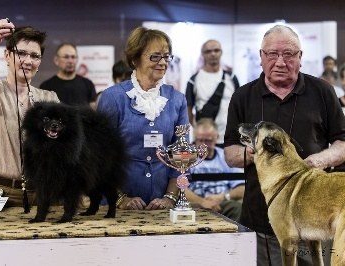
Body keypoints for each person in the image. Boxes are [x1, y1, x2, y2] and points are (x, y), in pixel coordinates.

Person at [224, 25, 345, 266]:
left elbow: (343, 142)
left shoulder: (322, 91)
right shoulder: (243, 96)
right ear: (261, 57)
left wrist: (320, 160)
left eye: (289, 54)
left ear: (300, 57)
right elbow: (229, 153)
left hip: (316, 220)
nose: (280, 62)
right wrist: (257, 153)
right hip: (259, 217)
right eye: (272, 54)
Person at [0, 19, 59, 208]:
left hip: (43, 192)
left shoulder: (49, 98)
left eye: (35, 56)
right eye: (22, 54)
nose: (28, 61)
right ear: (7, 56)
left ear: (40, 62)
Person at [97, 26, 188, 210]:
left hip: (162, 206)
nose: (162, 62)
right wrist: (120, 198)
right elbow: (100, 155)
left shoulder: (177, 99)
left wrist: (170, 197)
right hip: (116, 206)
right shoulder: (113, 98)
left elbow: (182, 154)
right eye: (155, 56)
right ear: (134, 59)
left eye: (166, 56)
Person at [184, 118, 244, 222]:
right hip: (196, 202)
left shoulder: (226, 157)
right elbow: (178, 187)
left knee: (237, 208)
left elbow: (242, 187)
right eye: (200, 140)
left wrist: (224, 197)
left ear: (217, 138)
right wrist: (201, 202)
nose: (204, 145)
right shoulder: (186, 157)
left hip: (222, 202)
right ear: (195, 138)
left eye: (208, 141)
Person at [185, 39, 240, 147]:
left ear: (221, 52)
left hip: (228, 138)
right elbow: (188, 109)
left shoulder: (231, 78)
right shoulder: (194, 80)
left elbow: (240, 105)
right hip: (204, 140)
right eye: (208, 51)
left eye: (216, 50)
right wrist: (199, 129)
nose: (213, 54)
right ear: (202, 54)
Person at [40, 43, 96, 109]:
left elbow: (93, 111)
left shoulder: (88, 84)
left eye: (73, 57)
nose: (70, 61)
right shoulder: (46, 87)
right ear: (56, 60)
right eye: (66, 57)